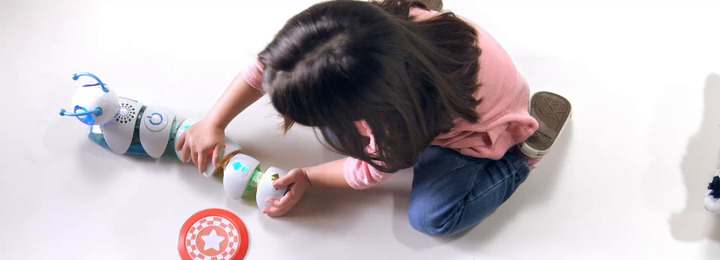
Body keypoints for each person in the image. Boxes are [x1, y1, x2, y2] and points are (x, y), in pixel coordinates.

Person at [176, 0, 572, 237]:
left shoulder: (397, 124)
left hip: (475, 124)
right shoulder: (350, 32)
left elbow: (366, 170)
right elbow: (268, 65)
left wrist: (310, 177)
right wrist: (214, 122)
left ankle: (523, 156)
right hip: (436, 51)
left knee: (432, 218)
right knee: (330, 116)